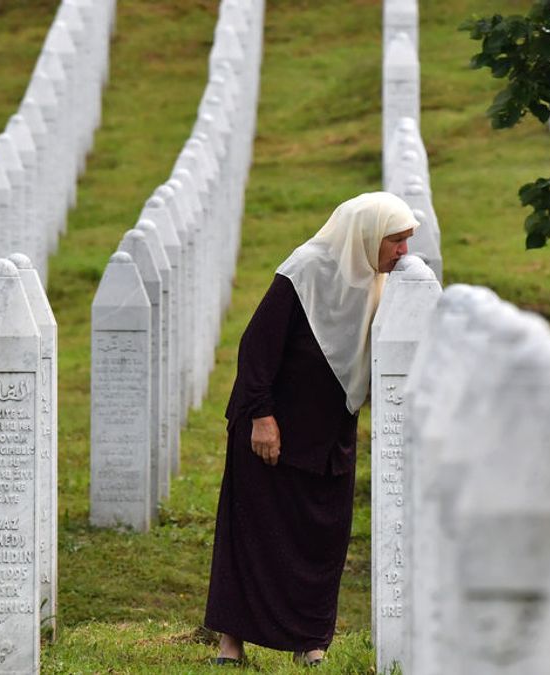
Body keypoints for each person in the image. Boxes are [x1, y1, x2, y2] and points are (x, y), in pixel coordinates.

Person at [204, 191, 417, 666]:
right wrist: (261, 417)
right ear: (366, 235)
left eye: (407, 241)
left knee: (321, 540)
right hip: (271, 432)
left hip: (328, 437)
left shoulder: (378, 281)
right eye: (395, 241)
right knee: (251, 535)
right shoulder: (305, 270)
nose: (403, 253)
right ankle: (231, 644)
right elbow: (256, 347)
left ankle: (310, 641)